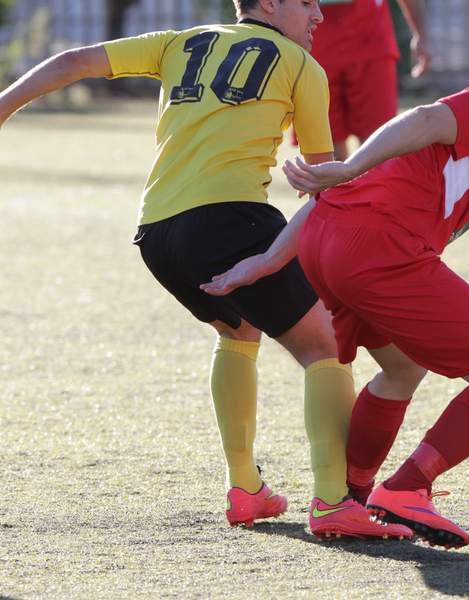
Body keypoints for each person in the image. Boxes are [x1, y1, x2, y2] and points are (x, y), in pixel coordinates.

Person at [0, 0, 412, 540]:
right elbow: (322, 179)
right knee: (324, 348)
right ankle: (333, 501)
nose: (318, 14)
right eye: (307, 2)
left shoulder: (179, 41)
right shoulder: (300, 64)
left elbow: (75, 60)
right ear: (269, 4)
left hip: (158, 233)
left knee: (237, 331)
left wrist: (4, 106)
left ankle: (246, 489)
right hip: (231, 219)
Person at [202, 15, 469, 548]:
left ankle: (350, 497)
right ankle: (407, 489)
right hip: (377, 250)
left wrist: (269, 259)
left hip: (329, 242)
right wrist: (346, 165)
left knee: (403, 367)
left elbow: (348, 191)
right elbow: (427, 117)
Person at [291, 0, 431, 159]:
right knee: (323, 151)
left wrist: (421, 34)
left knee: (378, 146)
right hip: (314, 46)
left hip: (370, 43)